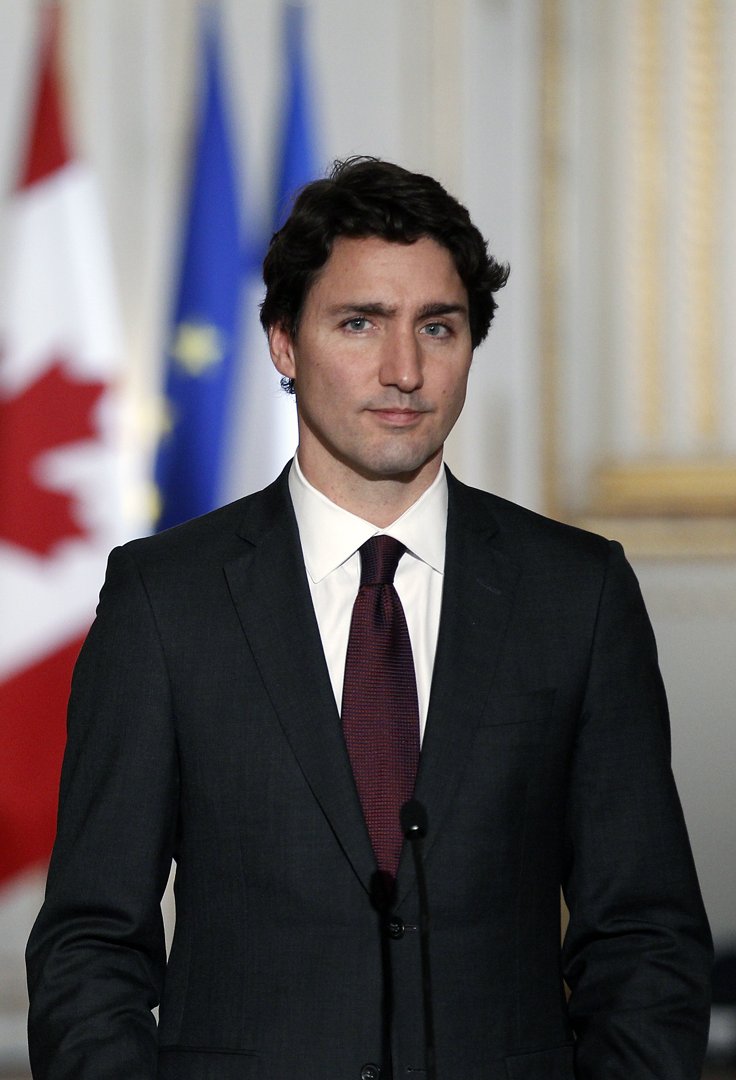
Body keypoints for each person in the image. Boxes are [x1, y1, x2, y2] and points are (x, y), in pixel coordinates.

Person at [26, 157, 712, 1080]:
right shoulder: (165, 600)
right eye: (360, 323)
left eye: (439, 326)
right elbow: (90, 948)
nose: (403, 371)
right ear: (283, 342)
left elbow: (645, 939)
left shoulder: (575, 594)